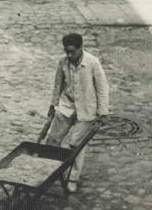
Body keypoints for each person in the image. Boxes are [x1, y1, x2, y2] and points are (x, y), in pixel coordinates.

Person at [45, 33, 110, 193]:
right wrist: (53, 105)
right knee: (53, 139)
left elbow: (102, 88)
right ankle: (49, 170)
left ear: (81, 48)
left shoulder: (92, 63)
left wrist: (103, 112)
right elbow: (57, 84)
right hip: (67, 106)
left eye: (72, 51)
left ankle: (72, 178)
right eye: (66, 51)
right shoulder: (63, 62)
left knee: (76, 145)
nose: (69, 55)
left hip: (87, 109)